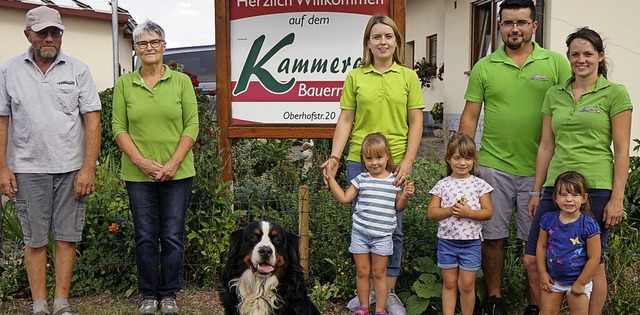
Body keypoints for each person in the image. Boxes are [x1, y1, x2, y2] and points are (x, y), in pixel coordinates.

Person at [458, 0, 572, 313]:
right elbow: (469, 116)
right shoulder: (485, 66)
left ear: (534, 26)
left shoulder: (555, 64)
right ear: (499, 25)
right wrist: (461, 164)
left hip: (541, 170)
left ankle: (536, 303)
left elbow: (571, 106)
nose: (515, 29)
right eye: (508, 22)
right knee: (492, 237)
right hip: (494, 166)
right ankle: (495, 299)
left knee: (535, 241)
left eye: (521, 22)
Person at [0, 6, 101, 315]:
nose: (49, 38)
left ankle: (62, 304)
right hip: (28, 170)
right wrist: (3, 168)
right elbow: (2, 120)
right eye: (42, 32)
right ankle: (39, 305)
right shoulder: (9, 71)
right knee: (34, 240)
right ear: (28, 34)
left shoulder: (78, 70)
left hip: (71, 170)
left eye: (55, 32)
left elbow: (93, 121)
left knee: (67, 238)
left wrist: (87, 168)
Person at [321, 14, 424, 315]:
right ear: (368, 42)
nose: (383, 41)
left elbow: (416, 122)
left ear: (396, 41)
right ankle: (363, 294)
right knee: (363, 223)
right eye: (377, 37)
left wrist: (406, 162)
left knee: (393, 227)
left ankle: (388, 293)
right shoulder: (356, 77)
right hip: (359, 160)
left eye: (388, 36)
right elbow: (346, 119)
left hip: (396, 163)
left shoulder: (408, 77)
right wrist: (335, 157)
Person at [525, 27, 632, 315]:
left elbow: (622, 150)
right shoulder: (554, 93)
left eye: (588, 53)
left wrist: (617, 198)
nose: (581, 59)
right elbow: (546, 146)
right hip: (555, 187)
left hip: (595, 188)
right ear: (568, 57)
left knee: (593, 261)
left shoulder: (614, 93)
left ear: (600, 56)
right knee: (533, 259)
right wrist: (537, 191)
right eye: (575, 54)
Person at [112, 20, 199, 315]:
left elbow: (193, 124)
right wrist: (141, 162)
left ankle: (169, 293)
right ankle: (149, 294)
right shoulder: (125, 84)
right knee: (145, 235)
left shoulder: (181, 82)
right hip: (138, 175)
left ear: (164, 46)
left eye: (154, 42)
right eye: (142, 43)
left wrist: (173, 162)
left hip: (178, 173)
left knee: (172, 235)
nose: (148, 48)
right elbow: (118, 127)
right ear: (135, 49)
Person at [326, 132, 414, 315]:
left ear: (387, 156)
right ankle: (363, 307)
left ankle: (380, 310)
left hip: (382, 236)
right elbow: (344, 198)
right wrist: (331, 180)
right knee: (363, 272)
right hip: (360, 234)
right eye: (369, 158)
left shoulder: (394, 182)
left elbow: (398, 207)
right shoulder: (361, 180)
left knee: (380, 273)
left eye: (379, 157)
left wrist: (405, 195)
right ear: (363, 159)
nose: (374, 162)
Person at [427, 133, 493, 315]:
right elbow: (432, 212)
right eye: (457, 158)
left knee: (466, 285)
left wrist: (469, 213)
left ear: (473, 159)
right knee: (449, 284)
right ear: (448, 159)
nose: (462, 163)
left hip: (471, 243)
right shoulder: (442, 184)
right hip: (447, 242)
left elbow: (488, 212)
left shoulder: (480, 185)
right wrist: (450, 210)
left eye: (467, 158)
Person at [536, 171, 601, 315]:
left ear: (584, 198)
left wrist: (581, 282)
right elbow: (541, 247)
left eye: (574, 195)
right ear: (555, 198)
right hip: (553, 280)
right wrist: (542, 273)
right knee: (547, 312)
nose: (569, 200)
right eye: (563, 195)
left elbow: (594, 258)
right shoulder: (548, 220)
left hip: (578, 281)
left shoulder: (589, 225)